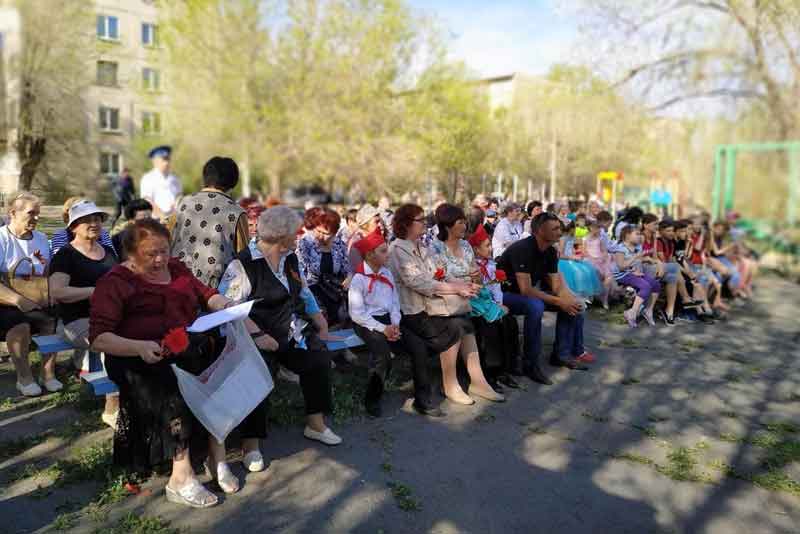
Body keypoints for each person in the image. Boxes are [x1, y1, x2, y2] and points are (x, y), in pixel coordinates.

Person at [90, 219, 243, 508]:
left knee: (218, 378)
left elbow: (206, 294)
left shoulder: (176, 268)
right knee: (175, 394)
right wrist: (138, 347)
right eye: (151, 254)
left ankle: (216, 456)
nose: (160, 259)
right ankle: (180, 478)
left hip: (182, 347)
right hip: (136, 357)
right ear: (131, 253)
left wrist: (224, 304)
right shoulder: (116, 282)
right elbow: (99, 338)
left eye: (164, 250)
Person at [218, 206, 342, 446]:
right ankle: (250, 444)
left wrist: (320, 320)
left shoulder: (290, 258)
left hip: (290, 331)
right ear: (282, 240)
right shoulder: (242, 265)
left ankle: (315, 424)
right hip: (256, 336)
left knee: (318, 357)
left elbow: (304, 292)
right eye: (294, 234)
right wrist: (258, 334)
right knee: (258, 370)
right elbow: (230, 308)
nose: (298, 237)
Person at [388, 204, 478, 413]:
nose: (426, 223)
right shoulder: (398, 249)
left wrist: (463, 284)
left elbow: (439, 272)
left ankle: (432, 394)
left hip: (426, 309)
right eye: (421, 220)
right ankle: (432, 395)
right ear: (407, 224)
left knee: (461, 324)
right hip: (408, 312)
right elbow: (418, 282)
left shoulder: (422, 247)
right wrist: (455, 288)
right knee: (451, 329)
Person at [497, 212, 594, 386]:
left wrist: (568, 300)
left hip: (525, 294)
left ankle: (561, 355)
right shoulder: (523, 249)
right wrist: (559, 301)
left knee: (574, 305)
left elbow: (556, 284)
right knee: (535, 306)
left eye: (559, 227)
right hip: (502, 294)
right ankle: (530, 363)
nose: (560, 231)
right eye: (555, 228)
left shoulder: (550, 251)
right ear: (540, 231)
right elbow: (525, 290)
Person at [49, 200, 120, 426]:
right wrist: (94, 292)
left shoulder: (108, 251)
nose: (94, 223)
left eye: (97, 218)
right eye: (87, 220)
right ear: (73, 226)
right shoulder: (65, 255)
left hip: (113, 316)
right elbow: (58, 292)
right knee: (115, 344)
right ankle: (112, 405)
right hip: (76, 321)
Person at [429, 203, 504, 402]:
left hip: (471, 296)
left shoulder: (465, 246)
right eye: (461, 222)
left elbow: (475, 276)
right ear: (447, 225)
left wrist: (476, 279)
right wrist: (464, 286)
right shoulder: (434, 248)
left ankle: (486, 379)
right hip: (446, 299)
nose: (465, 226)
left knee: (501, 320)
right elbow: (437, 280)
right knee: (462, 323)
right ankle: (465, 382)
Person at [0, 192, 58, 396]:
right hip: (5, 301)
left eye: (38, 213)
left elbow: (48, 270)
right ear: (13, 213)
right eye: (31, 213)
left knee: (52, 319)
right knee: (20, 324)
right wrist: (18, 300)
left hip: (35, 296)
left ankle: (47, 373)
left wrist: (51, 292)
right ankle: (23, 378)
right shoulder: (1, 238)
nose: (37, 218)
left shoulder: (42, 238)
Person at [348, 229, 403, 417]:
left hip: (386, 319)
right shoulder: (358, 279)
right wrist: (383, 329)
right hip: (365, 321)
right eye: (383, 251)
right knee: (382, 354)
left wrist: (395, 323)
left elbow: (395, 301)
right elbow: (357, 314)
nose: (387, 254)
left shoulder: (387, 273)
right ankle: (372, 399)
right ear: (370, 255)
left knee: (414, 341)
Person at [171, 156, 248, 289]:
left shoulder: (183, 204)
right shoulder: (237, 212)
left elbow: (169, 238)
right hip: (215, 289)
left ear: (205, 178)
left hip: (177, 280)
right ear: (233, 181)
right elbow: (244, 255)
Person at [468, 224, 521, 389]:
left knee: (509, 322)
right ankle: (490, 371)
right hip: (476, 305)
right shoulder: (472, 266)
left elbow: (496, 287)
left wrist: (499, 304)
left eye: (490, 245)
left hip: (491, 303)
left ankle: (506, 368)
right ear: (476, 250)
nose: (491, 248)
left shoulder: (490, 265)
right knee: (489, 328)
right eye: (487, 246)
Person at [297, 207, 350, 324]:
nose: (320, 236)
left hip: (335, 292)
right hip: (313, 293)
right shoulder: (305, 243)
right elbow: (301, 273)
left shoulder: (339, 244)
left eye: (326, 233)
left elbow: (347, 269)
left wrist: (349, 278)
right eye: (318, 231)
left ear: (334, 233)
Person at [613, 225, 660, 328]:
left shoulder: (637, 247)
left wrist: (636, 270)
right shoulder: (620, 249)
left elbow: (635, 264)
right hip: (621, 275)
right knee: (645, 286)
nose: (639, 236)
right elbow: (621, 267)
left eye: (640, 234)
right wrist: (636, 257)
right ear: (627, 235)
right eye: (637, 234)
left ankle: (648, 310)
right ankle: (631, 313)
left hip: (630, 272)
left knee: (655, 284)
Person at [51, 197, 115, 256]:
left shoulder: (103, 233)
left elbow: (112, 256)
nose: (94, 224)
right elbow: (59, 257)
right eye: (86, 220)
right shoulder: (61, 235)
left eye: (96, 219)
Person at [557, 221, 602, 301]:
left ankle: (586, 296)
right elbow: (560, 255)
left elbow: (572, 250)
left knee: (588, 270)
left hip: (572, 258)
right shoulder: (563, 239)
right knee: (578, 273)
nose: (575, 230)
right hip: (565, 261)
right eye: (574, 228)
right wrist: (572, 257)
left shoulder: (572, 238)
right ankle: (577, 296)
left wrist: (577, 255)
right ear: (570, 229)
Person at [140, 145, 182, 223]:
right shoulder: (148, 178)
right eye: (164, 159)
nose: (167, 162)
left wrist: (174, 211)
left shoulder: (175, 179)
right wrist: (162, 216)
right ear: (155, 161)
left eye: (168, 159)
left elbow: (178, 197)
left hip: (173, 219)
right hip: (155, 220)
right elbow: (147, 200)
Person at [583, 219, 614, 309]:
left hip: (600, 259)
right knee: (594, 271)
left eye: (599, 228)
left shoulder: (600, 238)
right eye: (596, 228)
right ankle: (591, 297)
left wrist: (603, 256)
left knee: (608, 277)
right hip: (589, 259)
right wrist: (592, 258)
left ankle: (604, 299)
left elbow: (604, 250)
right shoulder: (585, 238)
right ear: (591, 228)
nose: (598, 230)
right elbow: (584, 251)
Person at [347, 204, 382, 270]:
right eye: (376, 222)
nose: (379, 225)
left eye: (380, 221)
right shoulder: (356, 243)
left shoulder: (377, 238)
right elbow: (358, 271)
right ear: (365, 224)